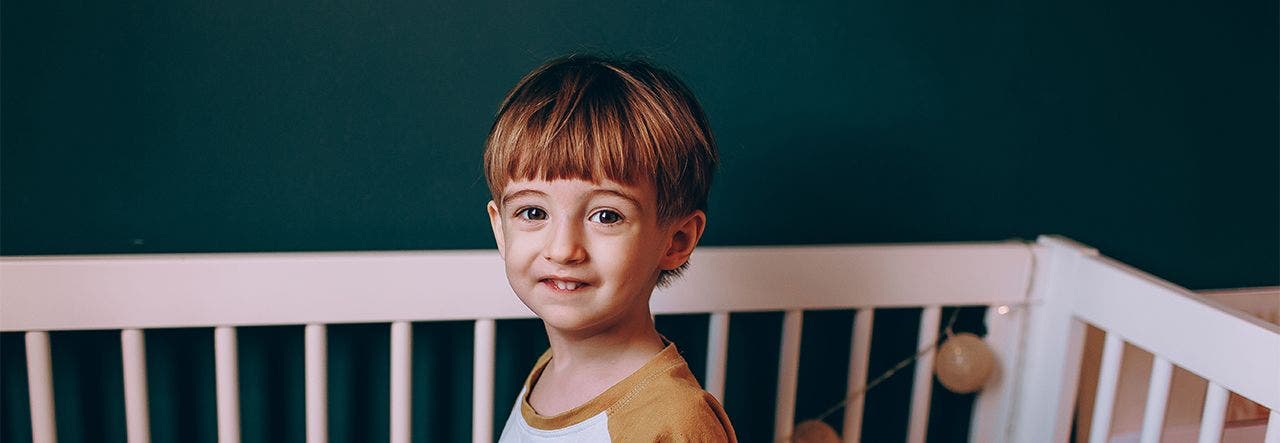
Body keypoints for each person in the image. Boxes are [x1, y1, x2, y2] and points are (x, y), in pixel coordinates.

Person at [483, 54, 736, 442]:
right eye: (533, 211)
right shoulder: (548, 371)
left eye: (606, 216)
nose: (564, 249)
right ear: (500, 229)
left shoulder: (675, 421)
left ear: (677, 240)